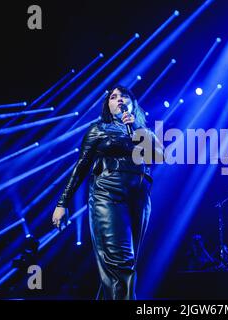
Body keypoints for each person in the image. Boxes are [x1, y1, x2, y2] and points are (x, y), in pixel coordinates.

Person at [51, 85, 163, 300]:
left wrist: (138, 130)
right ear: (108, 105)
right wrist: (62, 203)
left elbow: (159, 157)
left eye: (124, 96)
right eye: (114, 97)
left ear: (132, 103)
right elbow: (81, 166)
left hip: (138, 197)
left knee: (122, 265)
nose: (119, 99)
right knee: (121, 261)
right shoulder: (98, 129)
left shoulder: (143, 131)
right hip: (107, 194)